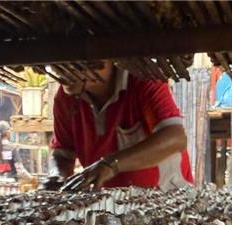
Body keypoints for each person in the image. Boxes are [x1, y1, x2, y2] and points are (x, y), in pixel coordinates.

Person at [51, 61, 193, 190]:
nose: (66, 71)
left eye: (76, 65)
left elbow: (175, 137)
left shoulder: (144, 81)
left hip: (167, 200)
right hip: (109, 205)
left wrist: (111, 164)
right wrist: (57, 177)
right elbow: (63, 154)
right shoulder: (66, 99)